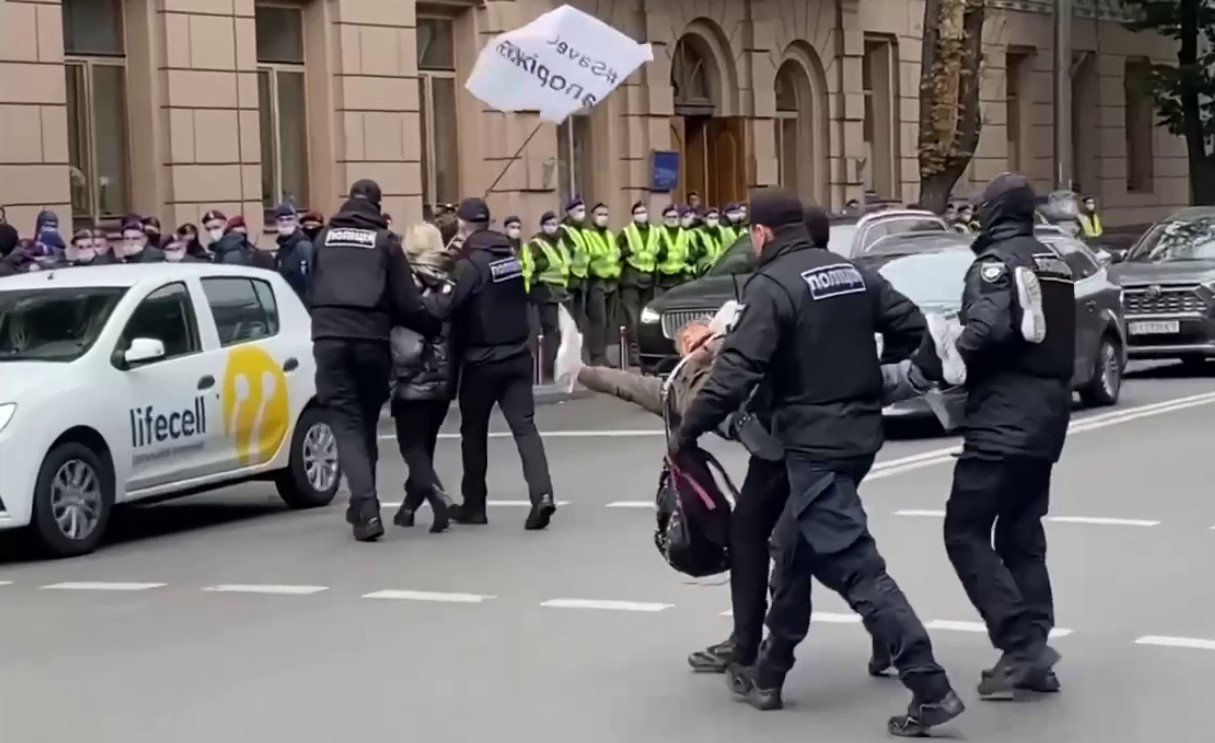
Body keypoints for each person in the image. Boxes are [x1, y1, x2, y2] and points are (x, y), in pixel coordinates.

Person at [672, 188, 964, 737]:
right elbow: (911, 331)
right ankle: (770, 673)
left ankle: (931, 687)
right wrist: (861, 378)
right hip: (857, 437)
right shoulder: (852, 273)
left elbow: (735, 371)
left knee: (854, 564)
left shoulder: (772, 286)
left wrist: (690, 429)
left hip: (814, 445)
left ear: (761, 235)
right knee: (795, 546)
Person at [910, 172, 1071, 700]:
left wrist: (938, 361)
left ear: (997, 211)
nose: (976, 213)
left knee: (965, 531)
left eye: (982, 205)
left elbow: (984, 330)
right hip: (1048, 417)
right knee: (1023, 534)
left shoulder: (997, 264)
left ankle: (1022, 644)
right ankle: (1033, 656)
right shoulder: (1054, 261)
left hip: (1004, 418)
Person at [310, 178, 441, 541]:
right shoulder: (385, 243)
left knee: (348, 423)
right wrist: (432, 327)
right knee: (364, 421)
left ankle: (364, 507)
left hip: (329, 339)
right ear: (378, 207)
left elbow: (311, 289)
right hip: (370, 342)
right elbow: (407, 303)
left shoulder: (322, 239)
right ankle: (364, 505)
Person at [442, 197, 556, 530]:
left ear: (463, 226)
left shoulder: (472, 264)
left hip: (482, 360)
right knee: (525, 428)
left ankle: (474, 505)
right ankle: (543, 495)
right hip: (518, 355)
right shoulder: (509, 256)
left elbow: (450, 305)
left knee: (473, 432)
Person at [389, 222, 459, 533]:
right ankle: (408, 508)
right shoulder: (452, 275)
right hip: (445, 372)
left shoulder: (403, 279)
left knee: (410, 446)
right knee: (425, 445)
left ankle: (437, 499)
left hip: (411, 369)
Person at [521, 212, 570, 381]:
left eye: (554, 223)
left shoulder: (559, 243)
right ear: (542, 225)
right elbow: (530, 269)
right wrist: (533, 289)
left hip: (560, 293)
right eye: (548, 223)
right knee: (549, 332)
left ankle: (553, 367)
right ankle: (547, 370)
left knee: (557, 332)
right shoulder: (537, 244)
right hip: (544, 293)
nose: (552, 226)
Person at [616, 201, 659, 366]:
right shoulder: (626, 233)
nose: (642, 214)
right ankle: (633, 354)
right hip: (630, 280)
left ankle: (645, 353)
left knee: (645, 320)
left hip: (648, 279)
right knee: (632, 319)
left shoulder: (655, 232)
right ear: (633, 215)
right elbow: (616, 253)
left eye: (644, 211)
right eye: (638, 212)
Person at [584, 202, 621, 366]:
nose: (603, 218)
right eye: (600, 214)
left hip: (611, 282)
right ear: (592, 216)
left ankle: (603, 356)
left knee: (608, 322)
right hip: (596, 282)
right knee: (599, 321)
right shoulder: (588, 235)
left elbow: (615, 256)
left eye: (606, 214)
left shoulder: (610, 235)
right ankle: (597, 356)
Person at [558, 198, 591, 333]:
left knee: (579, 322)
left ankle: (577, 351)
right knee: (568, 322)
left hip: (581, 280)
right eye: (578, 210)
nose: (582, 213)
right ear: (570, 212)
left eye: (583, 210)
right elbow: (564, 255)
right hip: (570, 282)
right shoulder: (564, 231)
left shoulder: (582, 231)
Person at [272, 204, 314, 299]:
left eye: (289, 219)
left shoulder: (303, 246)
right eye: (281, 220)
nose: (285, 223)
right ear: (276, 222)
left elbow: (310, 280)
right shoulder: (282, 249)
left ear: (296, 221)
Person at [655, 204, 689, 295]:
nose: (672, 219)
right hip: (663, 275)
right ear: (664, 218)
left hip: (680, 273)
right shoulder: (658, 232)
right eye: (669, 217)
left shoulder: (684, 233)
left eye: (674, 216)